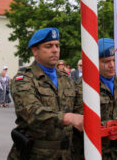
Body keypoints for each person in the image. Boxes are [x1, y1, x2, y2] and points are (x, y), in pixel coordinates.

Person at [7, 27, 83, 160]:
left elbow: (79, 110)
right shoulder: (24, 79)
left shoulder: (66, 78)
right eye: (48, 46)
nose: (55, 50)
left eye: (57, 46)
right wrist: (68, 118)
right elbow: (32, 113)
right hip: (36, 154)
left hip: (67, 154)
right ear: (35, 51)